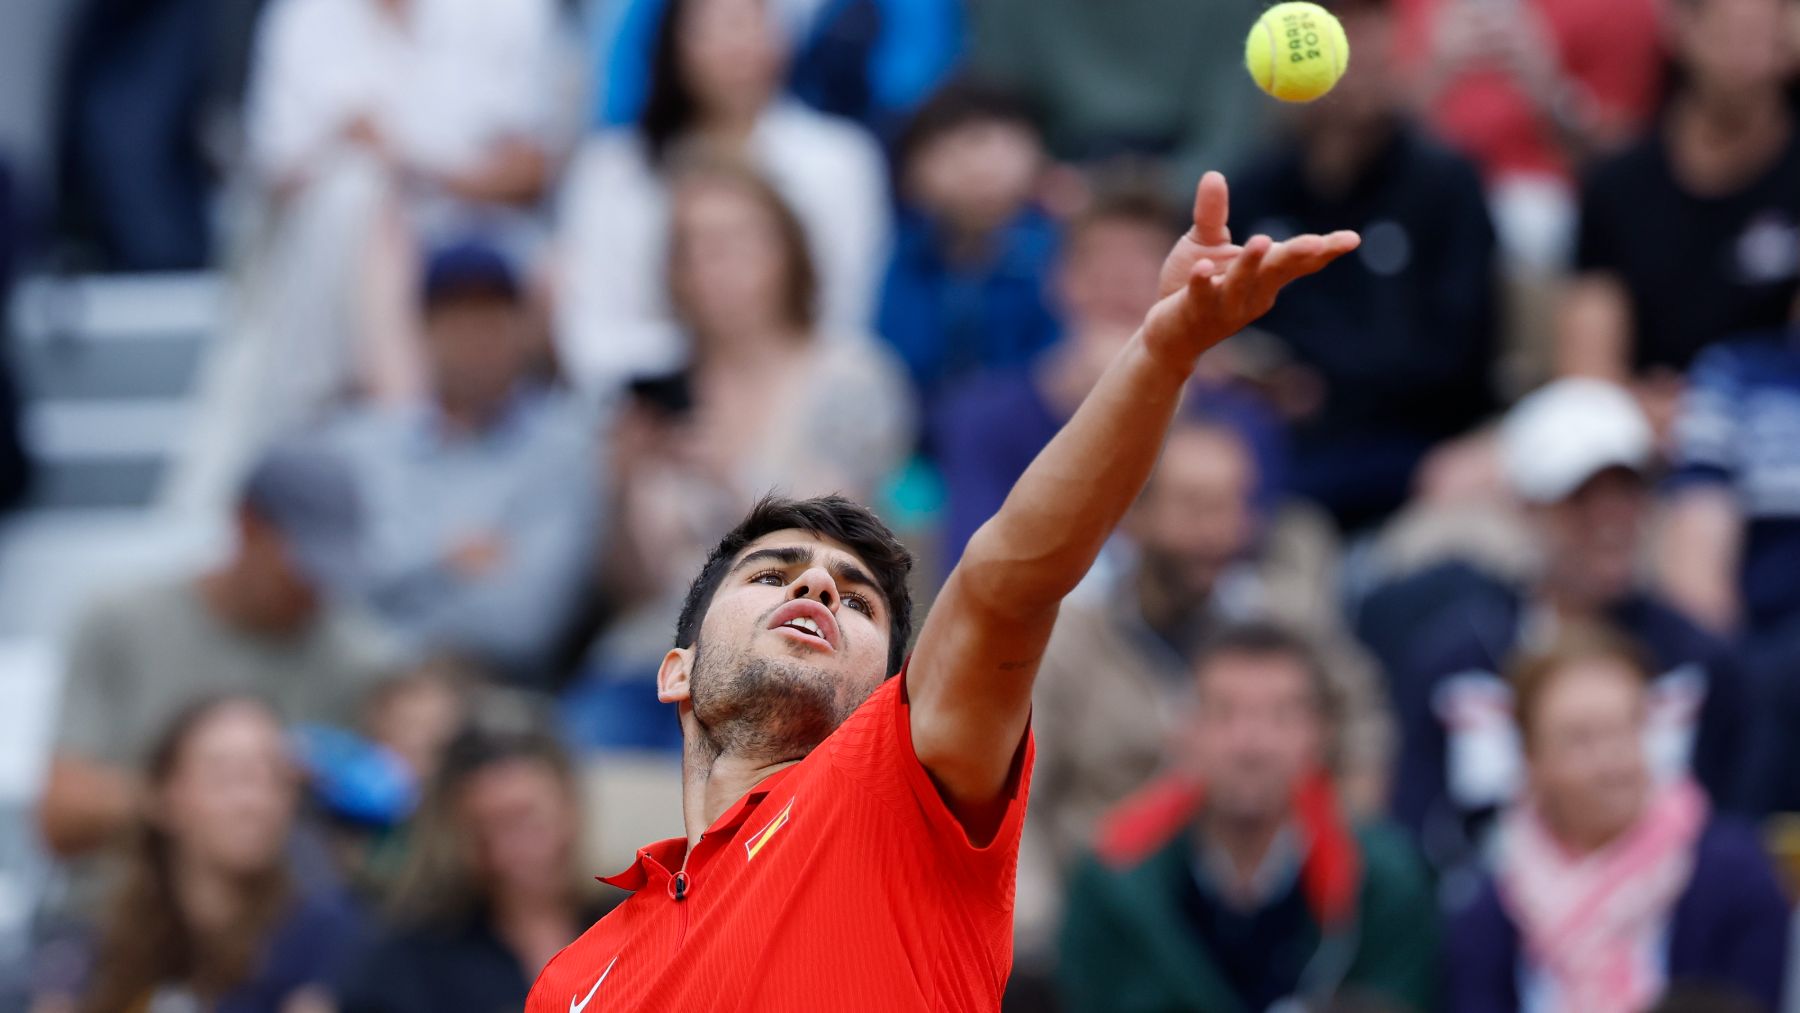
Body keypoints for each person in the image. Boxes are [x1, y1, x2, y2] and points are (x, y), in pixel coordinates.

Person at [517, 172, 1360, 1010]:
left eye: (857, 600)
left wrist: (1161, 354)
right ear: (676, 670)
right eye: (771, 574)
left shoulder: (898, 797)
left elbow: (1009, 579)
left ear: (885, 692)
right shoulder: (577, 977)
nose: (816, 581)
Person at [174, 0, 575, 511]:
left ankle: (410, 447)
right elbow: (275, 175)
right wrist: (360, 161)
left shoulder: (513, 11)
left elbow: (533, 169)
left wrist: (407, 162)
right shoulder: (303, 17)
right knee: (356, 198)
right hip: (339, 258)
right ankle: (402, 441)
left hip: (484, 240)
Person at [1018, 413, 1389, 955]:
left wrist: (1343, 840)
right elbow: (1023, 800)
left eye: (1234, 506)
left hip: (1266, 912)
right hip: (1108, 928)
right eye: (1195, 508)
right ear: (1132, 514)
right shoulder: (1065, 640)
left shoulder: (1280, 620)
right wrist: (1044, 941)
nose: (1220, 532)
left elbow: (1361, 720)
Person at [1368, 379, 1751, 876]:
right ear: (1527, 509)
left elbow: (1734, 836)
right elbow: (1415, 837)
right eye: (1580, 497)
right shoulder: (1454, 661)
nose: (1610, 517)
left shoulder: (1703, 661)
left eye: (1627, 492)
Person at [573, 157, 911, 710]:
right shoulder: (660, 394)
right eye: (691, 247)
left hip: (796, 661)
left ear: (788, 251)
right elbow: (633, 592)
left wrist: (731, 474)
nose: (711, 265)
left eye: (733, 241)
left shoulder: (852, 378)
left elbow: (846, 553)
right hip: (655, 661)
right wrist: (622, 485)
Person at [39, 444, 398, 863]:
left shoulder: (361, 660)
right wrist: (215, 787)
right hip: (116, 912)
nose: (318, 588)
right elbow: (60, 817)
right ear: (247, 525)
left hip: (293, 918)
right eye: (304, 564)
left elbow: (394, 820)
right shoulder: (121, 624)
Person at [1059, 624, 1437, 1013]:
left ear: (1319, 734)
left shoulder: (1382, 882)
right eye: (1224, 714)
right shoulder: (1113, 882)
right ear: (1184, 732)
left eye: (1281, 716)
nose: (1252, 744)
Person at [1226, 0, 1498, 531]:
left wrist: (1319, 382)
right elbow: (1233, 337)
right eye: (1339, 24)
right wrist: (1261, 376)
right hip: (1277, 453)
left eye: (1371, 29)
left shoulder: (1447, 187)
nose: (1355, 51)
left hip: (1418, 452)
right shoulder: (1252, 190)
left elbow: (1460, 355)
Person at [555, 0, 890, 395]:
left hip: (797, 406)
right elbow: (593, 336)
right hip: (648, 415)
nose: (735, 44)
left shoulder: (844, 160)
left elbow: (842, 316)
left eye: (750, 23)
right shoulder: (612, 169)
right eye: (712, 27)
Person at [1447, 629, 1789, 1012]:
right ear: (1531, 760)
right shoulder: (1493, 910)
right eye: (1581, 740)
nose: (1612, 762)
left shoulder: (1733, 876)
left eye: (1627, 728)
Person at [325, 238, 602, 683]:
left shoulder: (566, 450)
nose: (474, 341)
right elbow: (340, 596)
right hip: (376, 689)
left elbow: (525, 625)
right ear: (425, 330)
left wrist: (401, 587)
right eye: (456, 322)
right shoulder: (365, 448)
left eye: (490, 321)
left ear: (521, 328)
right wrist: (445, 561)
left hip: (510, 691)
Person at [1558, 0, 1800, 392]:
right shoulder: (1619, 183)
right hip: (1643, 416)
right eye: (1728, 35)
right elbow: (1587, 365)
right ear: (1681, 28)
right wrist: (1651, 406)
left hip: (1773, 414)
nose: (1746, 59)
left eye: (1764, 38)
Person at [79, 695, 363, 1013]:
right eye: (228, 777)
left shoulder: (332, 942)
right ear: (162, 795)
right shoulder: (106, 947)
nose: (256, 801)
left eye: (275, 778)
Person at [339, 726, 610, 1013]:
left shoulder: (635, 919)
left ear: (569, 809)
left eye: (527, 818)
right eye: (487, 830)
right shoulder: (418, 950)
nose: (512, 850)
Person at [1391, 0, 1663, 265]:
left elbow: (1628, 163)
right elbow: (1367, 128)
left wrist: (1552, 92)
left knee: (1533, 226)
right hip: (1417, 189)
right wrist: (1434, 73)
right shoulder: (1401, 11)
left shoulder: (1621, 8)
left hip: (1545, 205)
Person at [877, 81, 1061, 412]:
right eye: (954, 150)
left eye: (1000, 146)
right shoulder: (906, 258)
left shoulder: (1056, 254)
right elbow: (893, 364)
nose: (979, 170)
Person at [968, 0, 1269, 201]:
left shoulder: (1230, 9)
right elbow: (999, 108)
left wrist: (1163, 189)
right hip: (1051, 181)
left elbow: (1233, 135)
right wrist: (1044, 182)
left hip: (1190, 190)